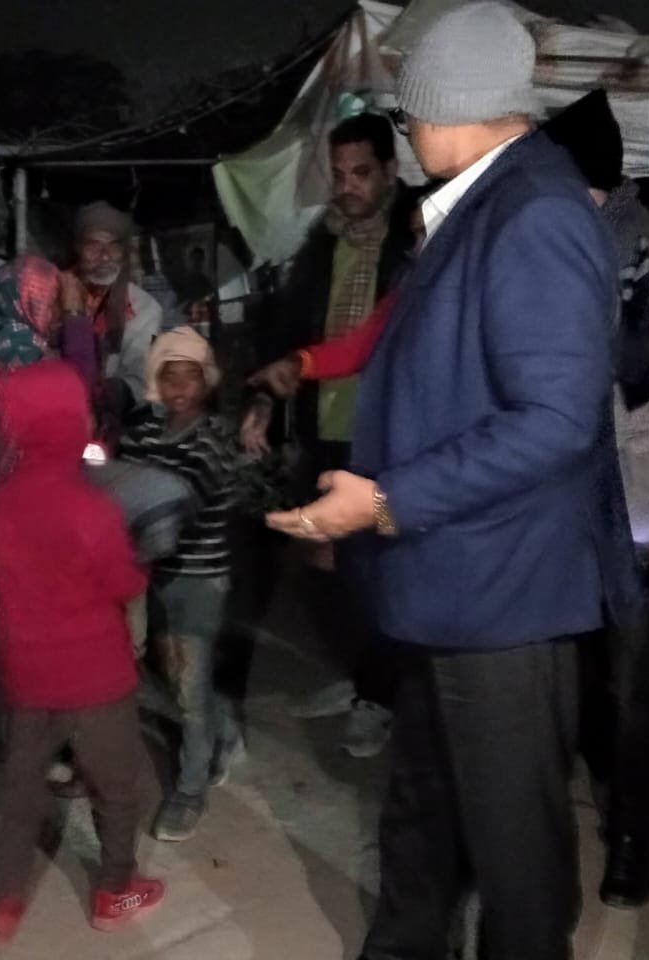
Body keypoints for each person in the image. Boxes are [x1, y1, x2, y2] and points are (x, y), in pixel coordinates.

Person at [267, 5, 637, 958]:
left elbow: (554, 420)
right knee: (424, 807)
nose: (403, 132)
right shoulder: (480, 202)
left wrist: (388, 499)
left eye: (403, 112)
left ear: (441, 106)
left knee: (516, 852)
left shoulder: (535, 210)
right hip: (449, 584)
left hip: (502, 593)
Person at [544, 89, 649, 909]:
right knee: (593, 676)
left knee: (646, 687)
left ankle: (635, 837)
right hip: (574, 500)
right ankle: (610, 794)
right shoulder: (558, 255)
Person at [243, 111, 422, 759]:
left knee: (381, 569)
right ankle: (362, 678)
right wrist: (265, 397)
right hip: (326, 427)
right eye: (340, 174)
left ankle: (381, 696)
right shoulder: (322, 244)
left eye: (361, 173)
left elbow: (386, 342)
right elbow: (292, 332)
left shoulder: (415, 240)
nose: (348, 187)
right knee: (328, 564)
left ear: (390, 172)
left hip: (390, 435)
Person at [0, 361, 164, 946]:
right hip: (95, 676)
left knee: (21, 790)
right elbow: (123, 583)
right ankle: (115, 889)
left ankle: (4, 900)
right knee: (119, 786)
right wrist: (141, 567)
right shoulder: (91, 507)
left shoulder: (0, 504)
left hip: (27, 675)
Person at [119, 327, 239, 841]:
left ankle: (190, 791)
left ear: (207, 381)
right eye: (170, 376)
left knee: (188, 687)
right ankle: (224, 730)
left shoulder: (214, 441)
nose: (179, 387)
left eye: (191, 376)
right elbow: (124, 489)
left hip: (199, 579)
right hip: (153, 574)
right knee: (174, 678)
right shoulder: (143, 434)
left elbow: (175, 505)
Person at [59, 201, 163, 436]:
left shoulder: (143, 306)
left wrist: (115, 393)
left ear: (124, 253)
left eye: (114, 246)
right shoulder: (53, 291)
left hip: (119, 421)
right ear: (77, 248)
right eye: (93, 245)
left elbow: (141, 372)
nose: (104, 256)